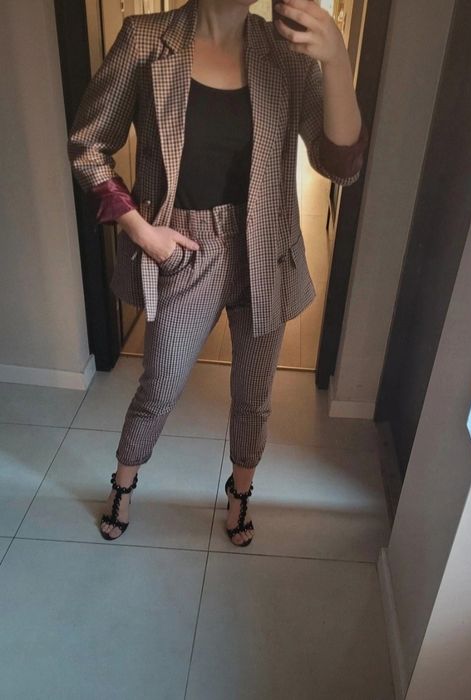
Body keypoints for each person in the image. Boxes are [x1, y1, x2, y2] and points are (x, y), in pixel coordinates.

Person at [67, 0, 368, 546]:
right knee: (160, 384)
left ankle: (240, 493)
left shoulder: (288, 57)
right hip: (184, 246)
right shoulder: (144, 39)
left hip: (266, 248)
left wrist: (337, 61)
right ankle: (123, 483)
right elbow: (89, 146)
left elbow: (339, 166)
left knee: (254, 394)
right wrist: (142, 231)